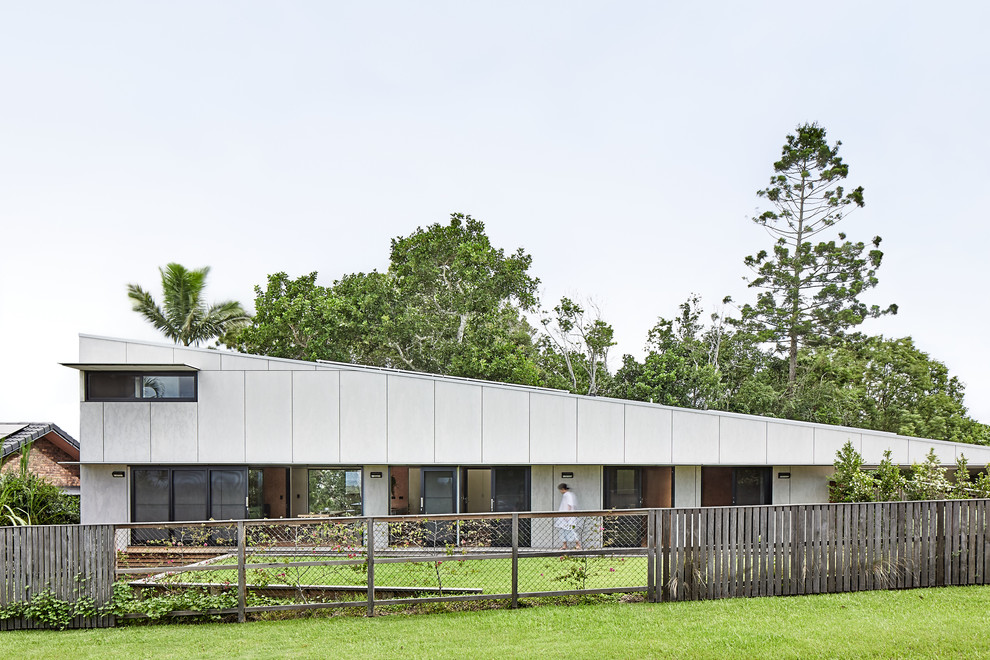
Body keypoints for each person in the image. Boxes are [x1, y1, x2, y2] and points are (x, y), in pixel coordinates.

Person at [556, 483, 581, 550]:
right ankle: (565, 545)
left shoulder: (567, 495)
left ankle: (577, 544)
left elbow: (569, 504)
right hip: (564, 516)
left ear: (562, 489)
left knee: (570, 530)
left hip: (567, 516)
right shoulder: (568, 495)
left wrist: (567, 514)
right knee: (563, 530)